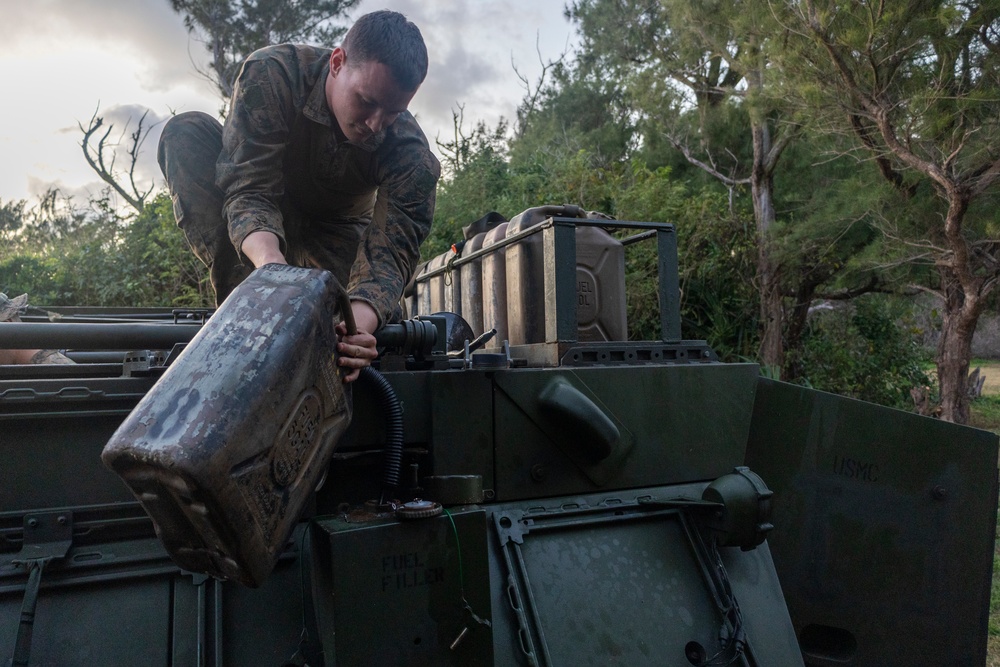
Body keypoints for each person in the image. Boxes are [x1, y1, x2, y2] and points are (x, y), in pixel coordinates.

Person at [157, 10, 440, 382]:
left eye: (392, 112)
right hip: (263, 219)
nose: (376, 124)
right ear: (337, 62)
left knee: (356, 337)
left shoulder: (410, 154)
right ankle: (240, 311)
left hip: (340, 232)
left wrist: (361, 326)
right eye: (366, 101)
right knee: (185, 133)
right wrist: (272, 272)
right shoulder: (271, 75)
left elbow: (390, 253)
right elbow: (249, 188)